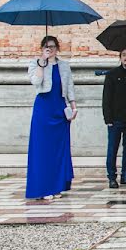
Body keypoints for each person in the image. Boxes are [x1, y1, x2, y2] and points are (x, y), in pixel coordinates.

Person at [26, 36, 75, 200]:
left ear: (58, 48)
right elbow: (36, 82)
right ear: (42, 48)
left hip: (59, 108)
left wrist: (73, 107)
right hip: (44, 108)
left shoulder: (64, 66)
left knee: (58, 150)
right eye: (47, 47)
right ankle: (43, 187)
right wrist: (42, 62)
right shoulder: (35, 63)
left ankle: (57, 186)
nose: (50, 49)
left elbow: (69, 88)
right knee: (42, 149)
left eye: (53, 46)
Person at [102, 48, 126, 189]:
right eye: (124, 55)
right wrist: (107, 118)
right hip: (115, 118)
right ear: (120, 57)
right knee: (113, 148)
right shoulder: (112, 74)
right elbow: (106, 98)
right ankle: (112, 176)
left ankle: (125, 174)